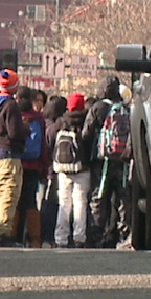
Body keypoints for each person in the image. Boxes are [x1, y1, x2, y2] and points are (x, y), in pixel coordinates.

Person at [83, 76, 132, 249]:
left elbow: (86, 134)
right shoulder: (125, 109)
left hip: (101, 161)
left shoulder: (98, 108)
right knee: (122, 197)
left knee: (99, 197)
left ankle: (96, 235)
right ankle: (124, 234)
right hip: (122, 161)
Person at [0, 69, 28, 247]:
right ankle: (4, 233)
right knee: (9, 192)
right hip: (10, 153)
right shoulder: (11, 106)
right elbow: (14, 132)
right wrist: (25, 129)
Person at [52, 92, 90, 248]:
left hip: (62, 169)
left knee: (64, 203)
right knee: (80, 202)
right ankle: (79, 237)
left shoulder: (61, 121)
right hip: (82, 168)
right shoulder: (86, 121)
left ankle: (60, 237)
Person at [14, 86, 49, 248]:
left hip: (16, 163)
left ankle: (13, 236)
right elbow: (41, 145)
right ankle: (34, 239)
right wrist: (44, 166)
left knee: (15, 201)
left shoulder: (15, 116)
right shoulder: (38, 118)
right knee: (30, 202)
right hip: (33, 166)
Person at [40, 95, 67, 247]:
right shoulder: (55, 127)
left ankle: (43, 236)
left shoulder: (44, 123)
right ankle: (47, 236)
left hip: (43, 168)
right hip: (53, 168)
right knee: (51, 204)